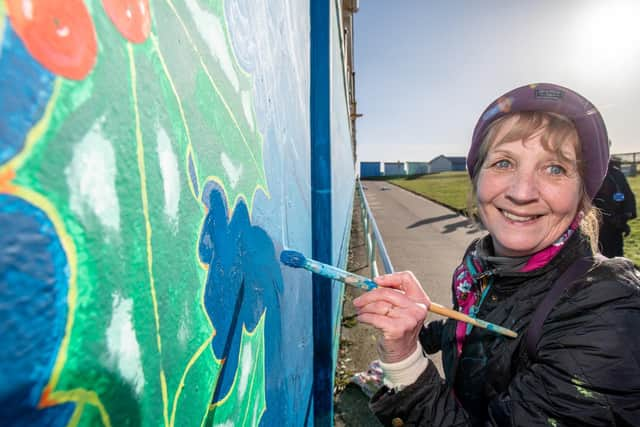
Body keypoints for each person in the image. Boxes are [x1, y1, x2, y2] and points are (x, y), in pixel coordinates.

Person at [354, 83, 640, 426]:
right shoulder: (481, 261)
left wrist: (406, 365)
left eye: (555, 169)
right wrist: (421, 329)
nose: (521, 192)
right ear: (477, 180)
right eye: (504, 162)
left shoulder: (608, 315)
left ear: (583, 195)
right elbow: (488, 317)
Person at [594, 155, 637, 257]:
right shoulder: (591, 174)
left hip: (616, 226)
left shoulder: (616, 174)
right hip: (598, 226)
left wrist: (625, 217)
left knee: (616, 255)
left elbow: (627, 196)